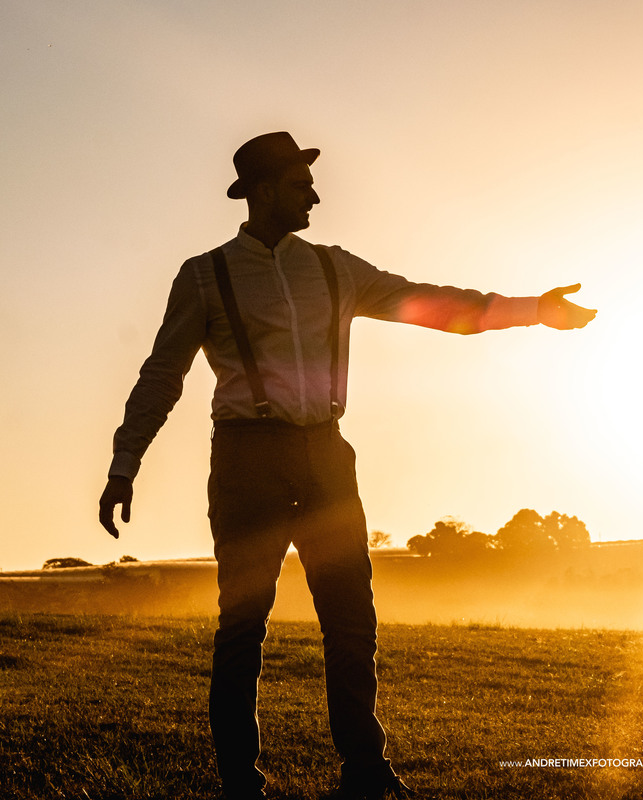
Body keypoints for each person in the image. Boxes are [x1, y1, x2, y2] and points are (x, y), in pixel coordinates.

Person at [98, 131, 596, 800]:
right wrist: (125, 460)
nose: (315, 194)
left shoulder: (334, 268)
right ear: (266, 190)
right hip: (248, 458)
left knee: (352, 621)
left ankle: (365, 770)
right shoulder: (206, 275)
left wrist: (536, 310)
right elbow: (162, 373)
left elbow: (433, 303)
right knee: (243, 626)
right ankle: (240, 784)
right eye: (302, 184)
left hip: (327, 455)